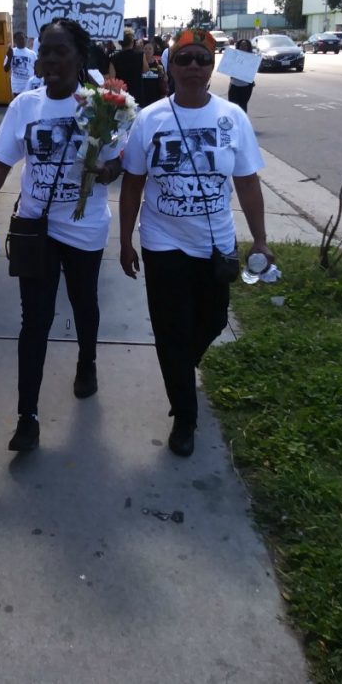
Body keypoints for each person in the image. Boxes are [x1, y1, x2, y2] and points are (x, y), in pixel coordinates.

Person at [0, 18, 124, 453]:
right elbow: (0, 160)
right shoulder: (25, 106)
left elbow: (118, 162)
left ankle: (87, 359)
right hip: (35, 225)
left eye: (59, 52)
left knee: (83, 302)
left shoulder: (101, 105)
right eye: (44, 52)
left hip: (84, 227)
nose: (49, 60)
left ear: (80, 58)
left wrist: (105, 170)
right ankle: (27, 418)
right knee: (33, 321)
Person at [119, 28, 274, 458]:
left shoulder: (232, 118)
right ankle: (184, 418)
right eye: (183, 58)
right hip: (162, 239)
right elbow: (133, 184)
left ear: (212, 67)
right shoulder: (150, 119)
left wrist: (259, 240)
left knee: (211, 320)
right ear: (170, 64)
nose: (192, 67)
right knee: (171, 330)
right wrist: (125, 240)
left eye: (201, 60)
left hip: (215, 243)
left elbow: (246, 182)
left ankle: (179, 370)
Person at [110, 27, 149, 107]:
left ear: (120, 42)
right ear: (132, 41)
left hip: (121, 97)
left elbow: (112, 80)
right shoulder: (140, 55)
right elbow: (146, 70)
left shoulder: (114, 59)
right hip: (137, 97)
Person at [3, 31, 38, 97]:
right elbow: (6, 69)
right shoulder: (11, 52)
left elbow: (37, 69)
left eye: (23, 38)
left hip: (29, 86)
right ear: (15, 40)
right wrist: (10, 57)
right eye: (19, 39)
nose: (22, 41)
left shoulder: (32, 54)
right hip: (17, 87)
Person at [227, 38, 256, 113]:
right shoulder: (234, 57)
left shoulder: (252, 58)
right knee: (232, 107)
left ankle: (242, 122)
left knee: (243, 106)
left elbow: (252, 72)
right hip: (234, 85)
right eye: (241, 46)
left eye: (245, 46)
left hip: (246, 87)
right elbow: (228, 69)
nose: (243, 47)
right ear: (238, 47)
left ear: (248, 47)